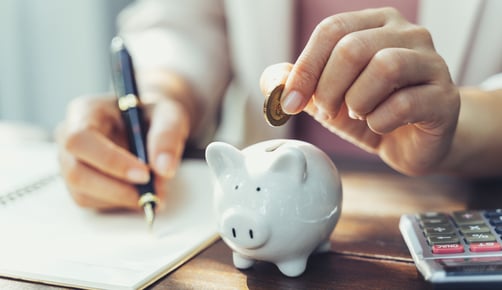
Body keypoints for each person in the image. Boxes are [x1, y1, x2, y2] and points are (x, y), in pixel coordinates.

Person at [56, 0, 502, 211]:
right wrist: (165, 91)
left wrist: (458, 126)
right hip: (261, 196)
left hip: (470, 202)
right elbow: (186, 20)